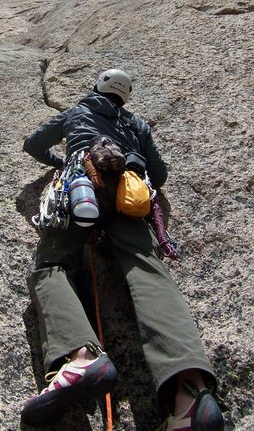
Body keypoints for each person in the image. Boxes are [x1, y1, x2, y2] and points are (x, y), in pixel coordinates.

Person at [21, 69, 224, 430]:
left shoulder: (77, 112)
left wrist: (60, 162)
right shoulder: (137, 125)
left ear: (97, 88)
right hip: (130, 194)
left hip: (82, 183)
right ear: (125, 98)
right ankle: (189, 391)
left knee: (51, 264)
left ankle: (80, 358)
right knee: (147, 269)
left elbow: (33, 144)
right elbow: (158, 176)